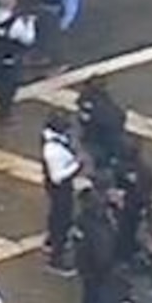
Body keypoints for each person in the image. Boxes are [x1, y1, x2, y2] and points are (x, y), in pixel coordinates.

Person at [0, 0, 38, 120]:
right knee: (10, 86)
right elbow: (28, 39)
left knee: (0, 84)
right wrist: (30, 23)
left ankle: (1, 107)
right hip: (10, 59)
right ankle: (5, 113)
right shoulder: (15, 23)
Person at [41, 111, 85, 273]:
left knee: (56, 214)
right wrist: (76, 166)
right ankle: (56, 258)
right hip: (60, 188)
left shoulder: (55, 141)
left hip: (60, 187)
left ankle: (51, 241)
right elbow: (57, 177)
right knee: (62, 218)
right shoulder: (52, 150)